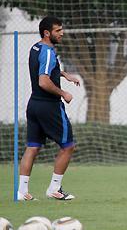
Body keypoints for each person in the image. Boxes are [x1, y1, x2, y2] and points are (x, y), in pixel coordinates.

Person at [17, 16, 80, 201]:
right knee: (68, 146)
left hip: (34, 105)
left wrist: (64, 74)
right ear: (47, 33)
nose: (62, 33)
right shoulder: (48, 51)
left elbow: (44, 69)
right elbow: (43, 81)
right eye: (58, 30)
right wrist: (63, 93)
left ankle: (22, 192)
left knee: (32, 147)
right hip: (49, 106)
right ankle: (54, 188)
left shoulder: (35, 48)